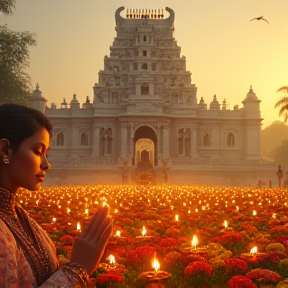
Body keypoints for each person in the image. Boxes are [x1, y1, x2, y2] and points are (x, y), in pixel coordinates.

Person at [0, 103, 113, 287]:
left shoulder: (18, 216)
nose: (46, 165)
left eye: (47, 154)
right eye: (38, 151)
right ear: (5, 150)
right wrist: (77, 269)